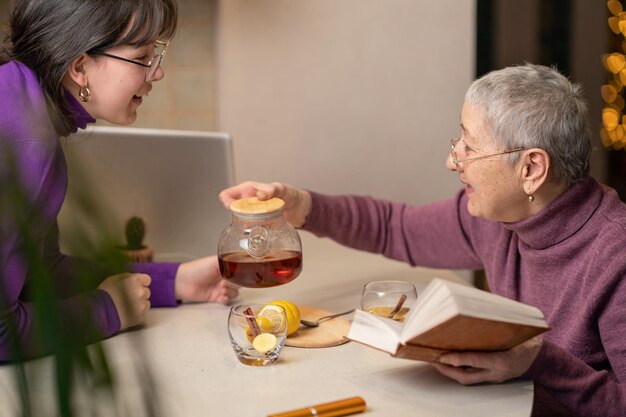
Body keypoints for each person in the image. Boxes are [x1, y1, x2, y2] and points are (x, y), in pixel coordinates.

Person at [220, 64, 626, 417]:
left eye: (469, 146)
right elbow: (395, 227)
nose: (452, 161)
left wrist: (536, 360)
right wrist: (302, 206)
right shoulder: (499, 217)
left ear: (531, 168)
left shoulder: (616, 254)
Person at [0, 0, 237, 361]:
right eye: (143, 56)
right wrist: (107, 311)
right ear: (80, 66)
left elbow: (38, 277)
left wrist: (172, 281)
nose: (157, 73)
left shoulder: (20, 103)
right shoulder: (29, 145)